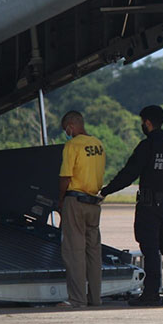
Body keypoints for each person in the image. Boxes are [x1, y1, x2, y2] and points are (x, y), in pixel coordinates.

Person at [100, 105, 163, 306]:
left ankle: (151, 294)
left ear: (147, 123)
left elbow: (129, 174)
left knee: (150, 250)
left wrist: (106, 191)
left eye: (142, 122)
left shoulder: (147, 147)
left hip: (149, 206)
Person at [58, 110, 106, 308]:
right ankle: (95, 298)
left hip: (75, 202)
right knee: (94, 253)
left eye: (65, 130)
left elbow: (65, 177)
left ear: (71, 126)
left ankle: (77, 299)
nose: (66, 133)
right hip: (94, 204)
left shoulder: (72, 145)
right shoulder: (98, 144)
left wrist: (60, 201)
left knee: (74, 251)